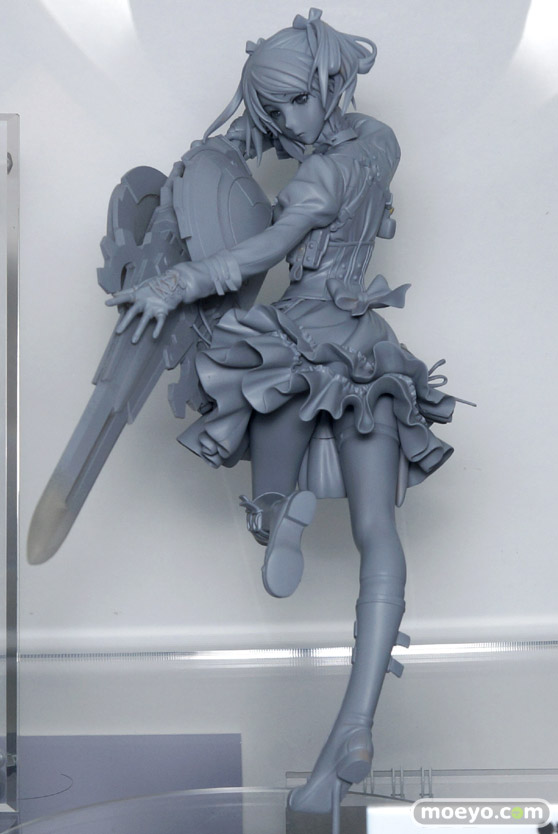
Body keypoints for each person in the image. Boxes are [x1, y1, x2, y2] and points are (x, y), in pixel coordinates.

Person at [108, 8, 457, 816]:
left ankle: (276, 513)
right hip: (369, 345)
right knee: (378, 533)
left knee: (253, 394)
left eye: (297, 101)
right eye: (276, 109)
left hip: (300, 335)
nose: (290, 123)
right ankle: (356, 725)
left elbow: (259, 251)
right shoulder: (380, 143)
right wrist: (252, 137)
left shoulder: (313, 181)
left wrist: (175, 281)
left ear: (330, 84)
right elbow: (298, 158)